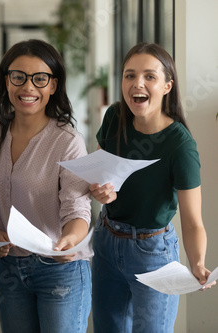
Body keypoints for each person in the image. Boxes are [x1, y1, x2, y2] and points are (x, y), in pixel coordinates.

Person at [89, 42, 215, 333]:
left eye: (149, 76)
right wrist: (99, 190)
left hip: (152, 254)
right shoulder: (114, 117)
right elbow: (98, 173)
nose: (137, 84)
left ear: (167, 86)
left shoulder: (180, 145)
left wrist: (197, 262)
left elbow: (193, 221)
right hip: (106, 241)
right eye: (129, 75)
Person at [0, 39, 92, 333]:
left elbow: (77, 207)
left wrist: (71, 239)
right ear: (6, 81)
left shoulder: (68, 141)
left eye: (40, 79)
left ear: (53, 86)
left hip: (59, 270)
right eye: (19, 77)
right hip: (8, 266)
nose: (28, 87)